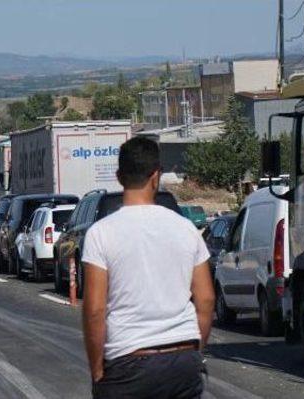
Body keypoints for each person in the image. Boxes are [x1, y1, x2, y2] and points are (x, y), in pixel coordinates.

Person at [82, 136, 215, 399]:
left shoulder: (101, 233)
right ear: (156, 176)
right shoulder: (186, 229)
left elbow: (95, 309)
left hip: (128, 363)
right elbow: (206, 299)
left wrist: (97, 369)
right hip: (182, 360)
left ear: (119, 178)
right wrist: (195, 352)